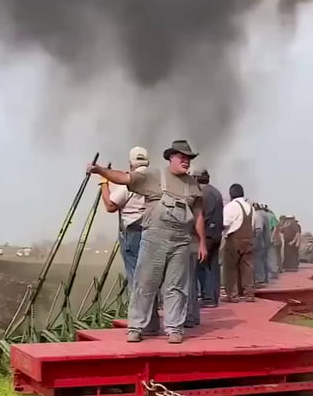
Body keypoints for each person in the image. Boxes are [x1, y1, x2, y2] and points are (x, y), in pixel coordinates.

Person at [87, 140, 207, 344]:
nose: (186, 161)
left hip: (181, 241)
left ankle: (174, 328)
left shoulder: (193, 185)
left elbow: (197, 216)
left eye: (189, 158)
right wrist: (100, 171)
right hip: (154, 238)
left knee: (176, 286)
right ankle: (136, 327)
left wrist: (202, 242)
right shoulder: (153, 175)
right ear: (171, 158)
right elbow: (124, 178)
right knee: (144, 283)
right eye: (182, 157)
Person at [99, 146, 160, 334]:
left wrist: (103, 183)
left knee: (136, 280)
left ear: (130, 163)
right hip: (153, 232)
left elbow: (110, 206)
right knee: (151, 279)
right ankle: (152, 323)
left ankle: (139, 325)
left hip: (133, 234)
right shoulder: (156, 181)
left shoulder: (128, 183)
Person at [193, 167, 223, 307]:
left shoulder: (201, 193)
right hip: (217, 233)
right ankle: (214, 296)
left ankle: (207, 297)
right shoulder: (216, 192)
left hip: (207, 234)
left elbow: (201, 215)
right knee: (213, 265)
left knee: (201, 265)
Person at [222, 183, 254, 302]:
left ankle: (233, 295)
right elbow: (253, 225)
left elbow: (224, 222)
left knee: (231, 268)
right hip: (248, 239)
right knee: (247, 268)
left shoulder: (231, 206)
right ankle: (249, 294)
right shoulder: (251, 207)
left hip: (234, 239)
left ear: (231, 194)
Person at [252, 202, 269, 287]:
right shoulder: (264, 214)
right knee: (262, 260)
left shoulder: (257, 215)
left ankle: (259, 280)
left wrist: (255, 241)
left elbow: (259, 230)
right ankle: (264, 278)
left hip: (259, 241)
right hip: (264, 241)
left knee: (257, 260)